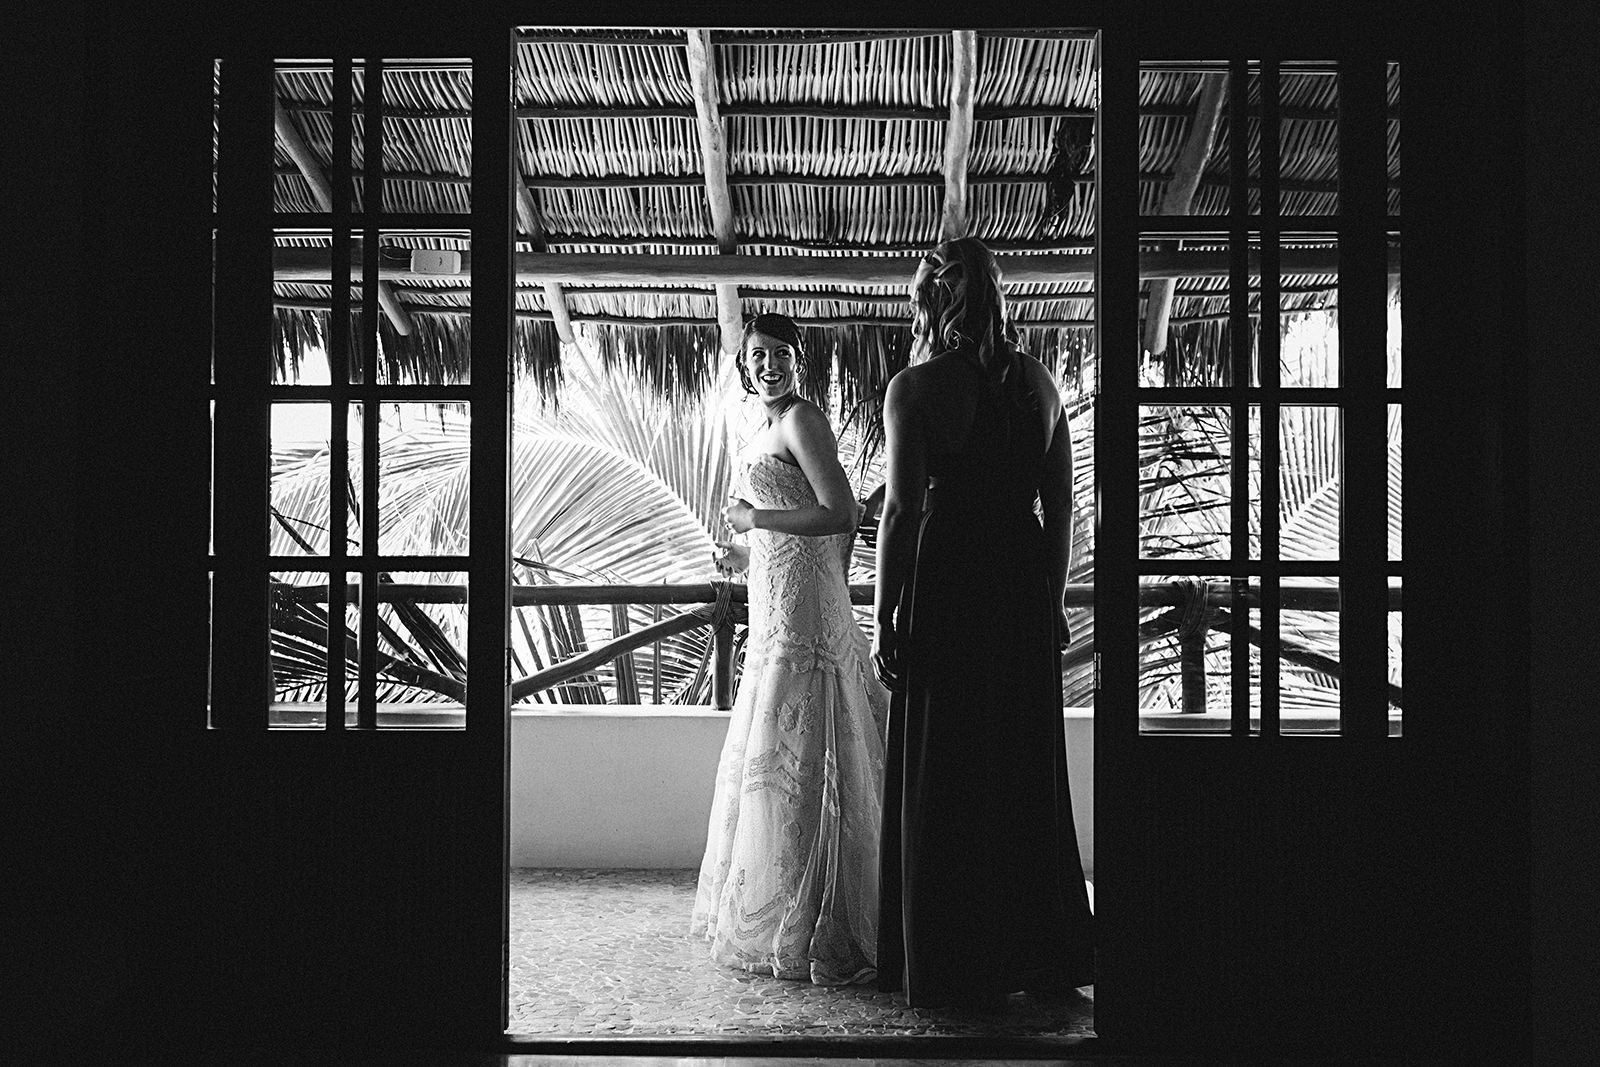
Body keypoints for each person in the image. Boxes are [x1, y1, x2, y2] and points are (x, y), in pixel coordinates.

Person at [871, 237, 1096, 1008]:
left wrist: (883, 619)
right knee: (1021, 765)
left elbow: (900, 513)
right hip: (1019, 582)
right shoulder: (1043, 385)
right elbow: (1062, 504)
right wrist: (1054, 595)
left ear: (934, 301)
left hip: (950, 583)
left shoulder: (915, 388)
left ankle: (952, 956)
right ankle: (1034, 951)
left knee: (949, 764)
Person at [691, 313, 889, 986]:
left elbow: (843, 510)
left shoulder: (801, 419)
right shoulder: (761, 426)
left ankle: (823, 915)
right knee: (778, 749)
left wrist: (758, 519)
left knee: (808, 743)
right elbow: (797, 512)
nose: (769, 364)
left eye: (781, 353)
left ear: (798, 361)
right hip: (779, 593)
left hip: (803, 606)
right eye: (758, 355)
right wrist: (748, 541)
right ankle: (777, 903)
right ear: (743, 366)